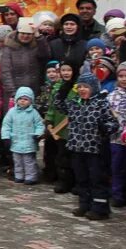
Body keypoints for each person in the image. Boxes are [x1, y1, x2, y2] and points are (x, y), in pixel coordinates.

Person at [54, 71, 117, 220]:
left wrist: (104, 127)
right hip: (77, 147)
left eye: (86, 87)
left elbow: (114, 124)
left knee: (97, 179)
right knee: (81, 178)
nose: (82, 89)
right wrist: (64, 89)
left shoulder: (101, 103)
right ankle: (84, 204)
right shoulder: (74, 103)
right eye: (80, 86)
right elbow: (59, 105)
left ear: (93, 87)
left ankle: (100, 208)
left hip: (95, 149)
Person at [0, 87, 44, 185]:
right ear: (16, 100)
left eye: (25, 99)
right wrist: (6, 137)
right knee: (17, 161)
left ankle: (31, 177)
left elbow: (39, 124)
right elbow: (6, 125)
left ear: (30, 101)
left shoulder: (34, 113)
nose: (22, 101)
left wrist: (38, 134)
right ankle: (19, 175)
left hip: (29, 142)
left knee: (29, 161)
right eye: (20, 99)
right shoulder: (12, 112)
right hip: (16, 141)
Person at [44, 61, 76, 194]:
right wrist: (49, 120)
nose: (66, 73)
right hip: (59, 128)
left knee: (73, 157)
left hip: (74, 128)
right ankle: (63, 181)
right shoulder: (57, 87)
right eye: (63, 70)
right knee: (61, 156)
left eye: (69, 70)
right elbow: (52, 106)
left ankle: (75, 182)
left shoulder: (78, 88)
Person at [0, 18, 49, 102]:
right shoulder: (9, 48)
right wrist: (14, 93)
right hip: (15, 92)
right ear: (18, 32)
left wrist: (38, 36)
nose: (25, 36)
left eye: (29, 34)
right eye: (23, 33)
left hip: (34, 91)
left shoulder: (37, 45)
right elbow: (6, 72)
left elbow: (45, 55)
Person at [107, 61, 126, 207]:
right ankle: (117, 195)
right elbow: (108, 115)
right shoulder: (112, 96)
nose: (124, 79)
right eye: (121, 76)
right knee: (117, 167)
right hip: (116, 139)